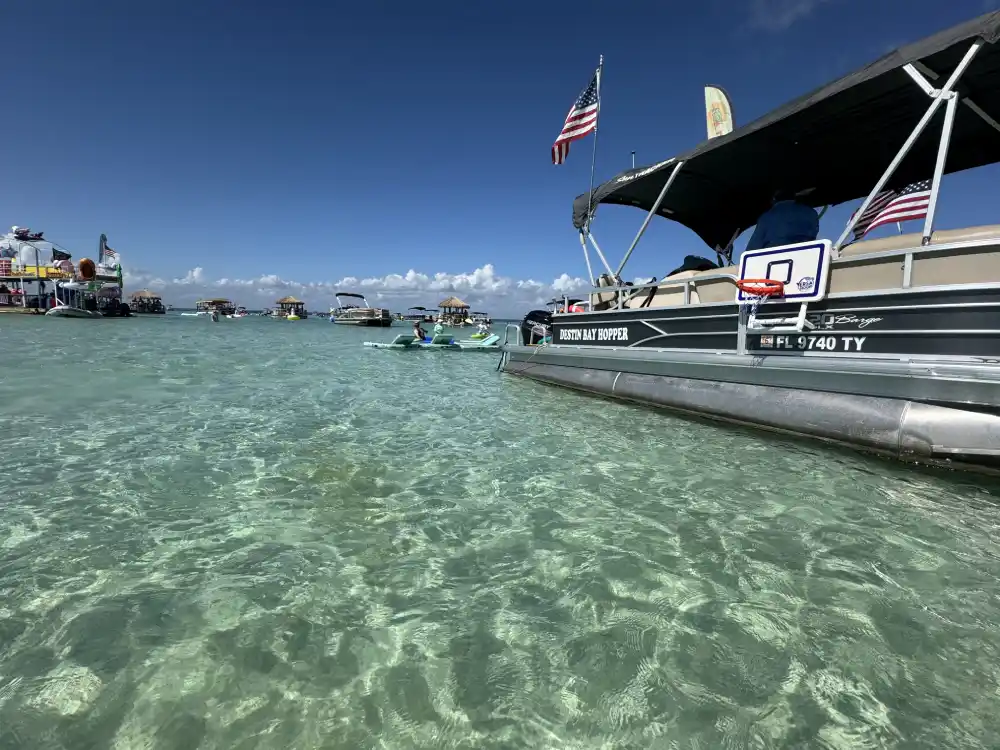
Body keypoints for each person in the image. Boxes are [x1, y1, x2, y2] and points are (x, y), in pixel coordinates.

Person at [744, 189, 819, 253]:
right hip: (805, 258)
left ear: (774, 200)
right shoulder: (811, 213)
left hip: (772, 260)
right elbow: (813, 235)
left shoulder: (767, 216)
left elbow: (753, 247)